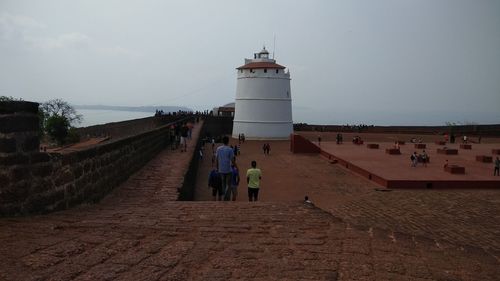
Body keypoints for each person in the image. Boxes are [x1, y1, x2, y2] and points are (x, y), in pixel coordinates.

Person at [216, 136, 235, 201]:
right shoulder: (230, 149)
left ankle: (224, 195)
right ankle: (227, 197)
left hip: (221, 169)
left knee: (223, 184)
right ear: (228, 141)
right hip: (228, 169)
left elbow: (216, 159)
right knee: (228, 184)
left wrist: (217, 168)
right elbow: (232, 160)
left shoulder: (218, 149)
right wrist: (237, 167)